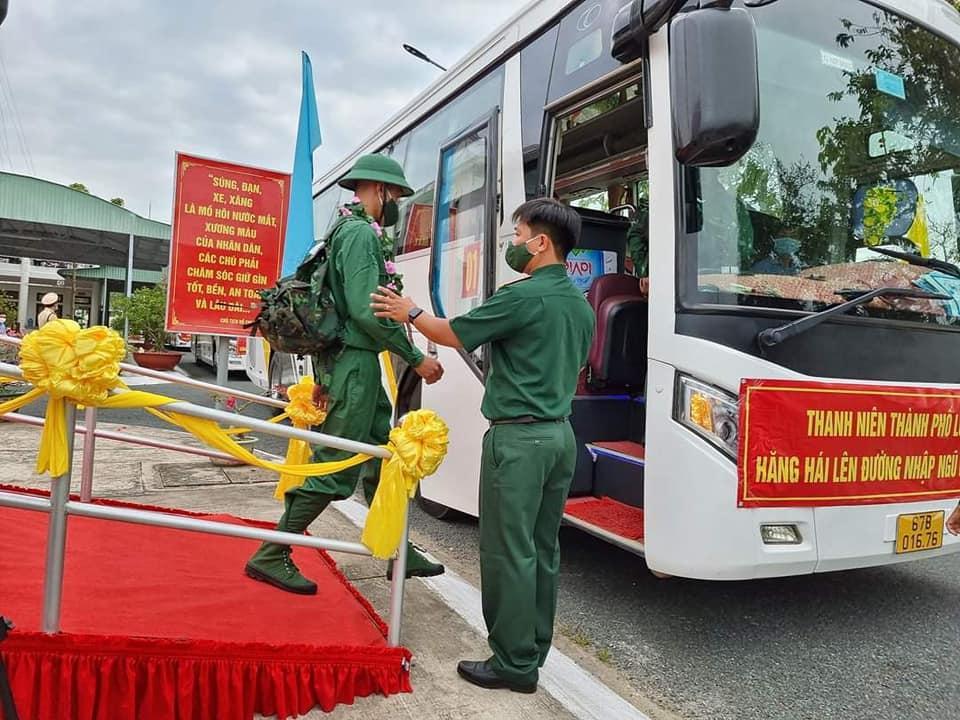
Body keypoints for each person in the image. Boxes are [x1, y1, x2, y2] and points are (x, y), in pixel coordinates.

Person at [371, 198, 595, 694]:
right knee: (541, 548)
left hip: (518, 441)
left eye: (517, 235)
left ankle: (514, 665)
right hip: (560, 437)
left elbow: (452, 333)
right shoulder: (580, 304)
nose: (513, 245)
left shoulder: (524, 296)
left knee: (507, 551)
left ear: (541, 242)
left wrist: (408, 311)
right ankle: (532, 646)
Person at [245, 154, 446, 595]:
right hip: (354, 365)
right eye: (394, 194)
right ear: (377, 189)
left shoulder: (346, 231)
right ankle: (272, 551)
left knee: (379, 457)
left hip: (354, 364)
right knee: (335, 466)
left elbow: (339, 309)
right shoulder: (358, 233)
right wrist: (414, 356)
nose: (396, 202)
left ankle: (397, 548)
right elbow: (363, 309)